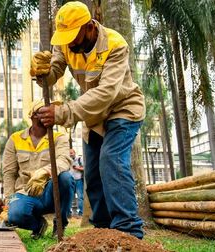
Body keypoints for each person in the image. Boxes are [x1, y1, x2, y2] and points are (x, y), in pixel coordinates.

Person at [30, 1, 145, 239]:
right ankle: (103, 231)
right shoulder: (65, 43)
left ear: (90, 26)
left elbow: (106, 93)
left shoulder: (115, 44)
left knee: (111, 160)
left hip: (123, 110)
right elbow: (55, 72)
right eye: (66, 37)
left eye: (74, 35)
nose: (70, 42)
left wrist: (62, 113)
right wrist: (43, 73)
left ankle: (128, 231)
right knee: (92, 175)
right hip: (93, 116)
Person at [2, 100, 74, 239]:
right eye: (45, 111)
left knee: (66, 178)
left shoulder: (59, 138)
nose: (51, 114)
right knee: (15, 215)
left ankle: (59, 225)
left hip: (50, 192)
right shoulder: (15, 139)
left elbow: (64, 160)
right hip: (25, 192)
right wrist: (8, 203)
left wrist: (44, 172)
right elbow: (9, 174)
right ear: (34, 115)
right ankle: (38, 225)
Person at [69, 148, 84, 217]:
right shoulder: (67, 160)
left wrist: (77, 168)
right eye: (69, 153)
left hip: (78, 180)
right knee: (70, 197)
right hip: (70, 180)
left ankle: (81, 213)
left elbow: (84, 168)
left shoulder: (79, 159)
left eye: (71, 153)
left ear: (74, 153)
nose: (70, 154)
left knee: (80, 197)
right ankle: (69, 213)